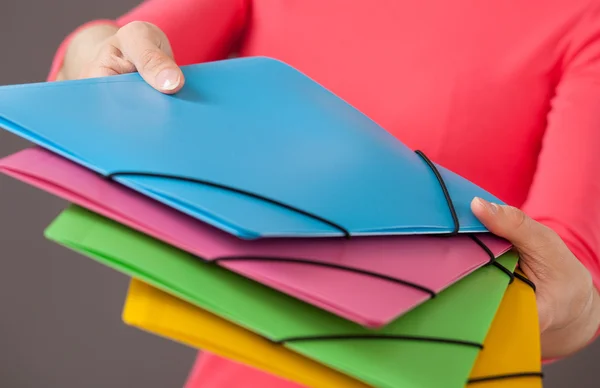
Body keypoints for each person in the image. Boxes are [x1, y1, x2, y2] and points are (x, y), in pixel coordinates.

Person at [50, 0, 600, 385]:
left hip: (438, 368)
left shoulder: (583, 18)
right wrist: (94, 52)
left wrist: (565, 309)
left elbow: (567, 275)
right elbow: (115, 60)